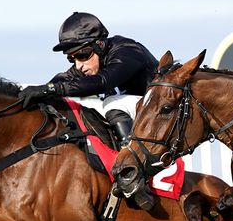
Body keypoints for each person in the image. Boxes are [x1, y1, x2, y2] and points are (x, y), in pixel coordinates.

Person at [18, 12, 158, 140]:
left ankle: (134, 159)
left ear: (100, 45)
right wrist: (42, 90)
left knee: (112, 104)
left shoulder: (128, 51)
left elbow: (102, 82)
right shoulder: (91, 62)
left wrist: (53, 89)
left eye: (81, 56)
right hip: (144, 115)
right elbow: (63, 79)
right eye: (72, 59)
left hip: (165, 112)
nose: (78, 65)